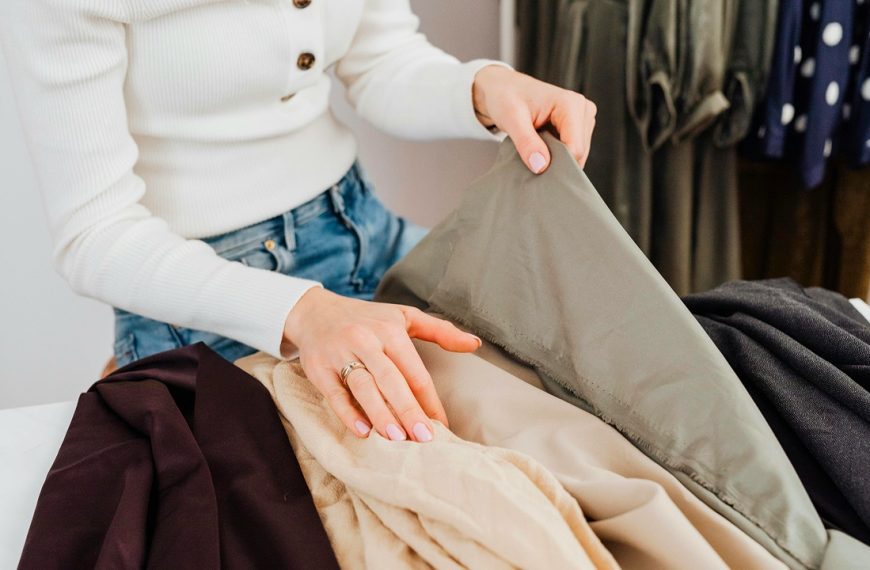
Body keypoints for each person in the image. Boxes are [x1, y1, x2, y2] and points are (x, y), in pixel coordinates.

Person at [0, 1, 597, 444]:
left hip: (363, 230)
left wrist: (483, 88)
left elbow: (382, 60)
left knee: (580, 389)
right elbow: (94, 237)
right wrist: (303, 314)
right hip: (212, 307)